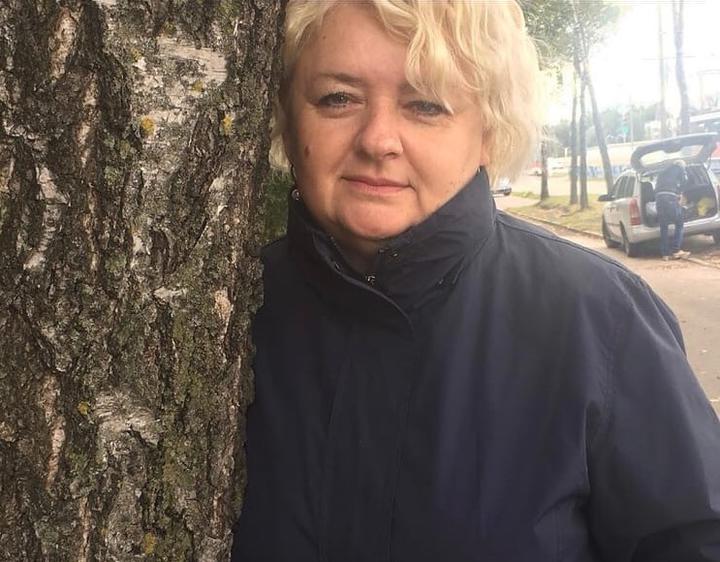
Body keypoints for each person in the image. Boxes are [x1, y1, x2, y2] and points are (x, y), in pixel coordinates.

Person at [232, 2, 720, 560]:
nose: (378, 139)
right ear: (288, 116)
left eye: (426, 104)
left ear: (488, 130)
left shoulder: (599, 321)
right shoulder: (230, 316)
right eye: (337, 98)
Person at [655, 159, 691, 261]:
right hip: (670, 198)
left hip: (659, 199)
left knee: (664, 226)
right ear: (681, 165)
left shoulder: (662, 172)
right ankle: (676, 250)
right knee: (679, 223)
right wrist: (679, 192)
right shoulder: (680, 168)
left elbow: (656, 187)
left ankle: (665, 254)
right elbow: (684, 182)